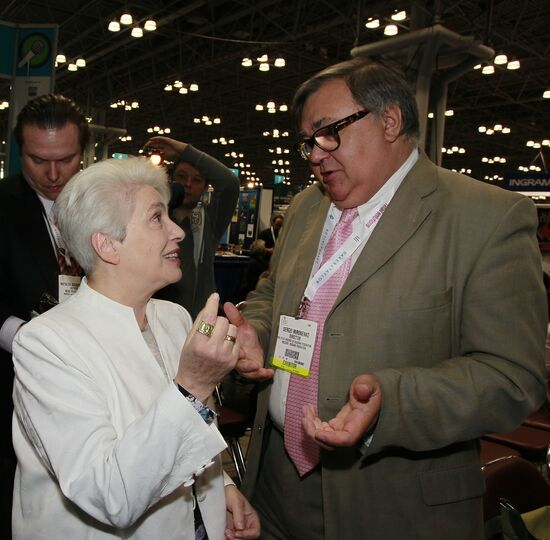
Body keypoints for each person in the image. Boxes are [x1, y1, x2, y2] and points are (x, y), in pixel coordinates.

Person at [223, 59, 548, 539]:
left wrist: (390, 404)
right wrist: (258, 331)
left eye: (327, 132)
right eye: (308, 141)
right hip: (273, 485)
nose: (315, 154)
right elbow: (274, 292)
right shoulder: (310, 206)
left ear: (390, 120)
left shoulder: (485, 218)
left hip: (391, 503)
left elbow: (512, 376)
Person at [12, 156, 260, 539]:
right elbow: (107, 492)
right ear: (108, 245)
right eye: (157, 218)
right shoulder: (47, 344)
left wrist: (220, 486)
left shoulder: (174, 317)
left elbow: (187, 434)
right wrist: (192, 386)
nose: (177, 231)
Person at [0, 93, 89, 539]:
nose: (53, 174)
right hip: (12, 385)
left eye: (66, 159)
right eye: (38, 160)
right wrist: (26, 339)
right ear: (19, 153)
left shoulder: (106, 203)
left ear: (84, 153)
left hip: (91, 387)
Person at [145, 136, 240, 318]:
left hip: (198, 321)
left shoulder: (209, 220)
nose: (188, 184)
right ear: (170, 180)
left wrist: (184, 149)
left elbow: (230, 184)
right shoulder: (155, 218)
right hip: (156, 319)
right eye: (181, 177)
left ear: (205, 188)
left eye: (197, 180)